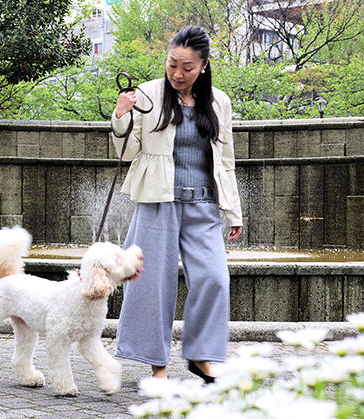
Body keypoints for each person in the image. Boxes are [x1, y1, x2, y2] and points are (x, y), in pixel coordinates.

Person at [110, 26, 243, 382]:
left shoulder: (219, 101)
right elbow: (128, 151)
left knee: (215, 278)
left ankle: (200, 355)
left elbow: (225, 160)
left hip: (203, 205)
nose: (178, 74)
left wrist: (233, 209)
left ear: (204, 65)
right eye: (172, 64)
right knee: (152, 284)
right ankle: (158, 366)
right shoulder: (147, 94)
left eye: (187, 67)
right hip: (158, 201)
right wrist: (122, 116)